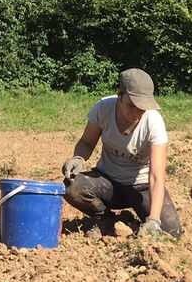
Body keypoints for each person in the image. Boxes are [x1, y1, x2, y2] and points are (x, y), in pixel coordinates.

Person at [62, 68, 182, 239]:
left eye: (142, 107)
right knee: (71, 187)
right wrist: (79, 158)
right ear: (120, 95)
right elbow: (86, 142)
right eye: (131, 105)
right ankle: (105, 219)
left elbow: (157, 176)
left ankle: (146, 221)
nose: (136, 112)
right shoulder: (104, 108)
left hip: (142, 187)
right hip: (108, 182)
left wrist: (154, 220)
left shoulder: (153, 122)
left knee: (172, 232)